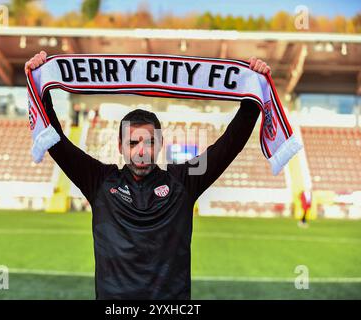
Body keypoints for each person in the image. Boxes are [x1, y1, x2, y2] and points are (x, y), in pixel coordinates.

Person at [25, 51, 271, 300]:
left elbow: (230, 143)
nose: (141, 151)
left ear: (160, 144)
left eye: (149, 142)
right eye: (133, 143)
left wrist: (253, 92)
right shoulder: (99, 181)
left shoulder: (184, 181)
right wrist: (40, 85)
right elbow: (56, 143)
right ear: (120, 147)